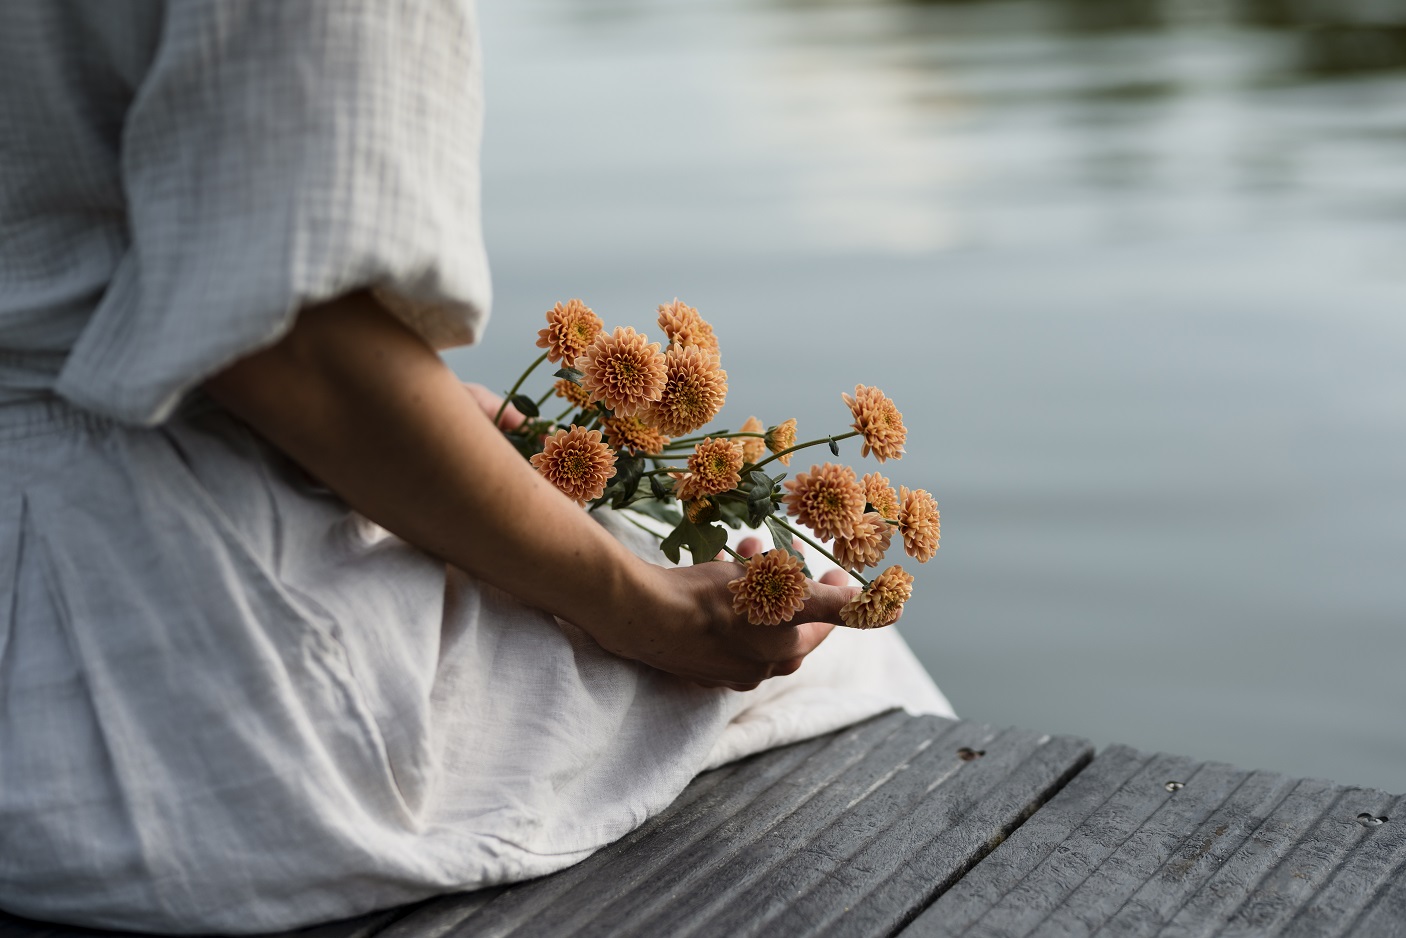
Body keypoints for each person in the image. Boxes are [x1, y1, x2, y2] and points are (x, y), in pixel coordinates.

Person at [0, 2, 952, 932]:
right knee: (847, 651)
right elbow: (290, 351)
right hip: (153, 709)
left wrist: (436, 408)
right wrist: (642, 608)